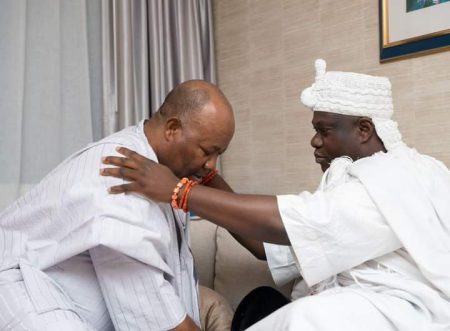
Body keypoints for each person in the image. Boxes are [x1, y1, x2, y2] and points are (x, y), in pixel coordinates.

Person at [100, 59, 450, 331]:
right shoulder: (353, 184)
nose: (314, 141)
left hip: (399, 314)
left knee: (304, 319)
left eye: (324, 131)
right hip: (354, 308)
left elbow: (285, 221)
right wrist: (208, 179)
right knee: (261, 303)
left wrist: (178, 191)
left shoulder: (397, 177)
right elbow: (268, 246)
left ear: (363, 130)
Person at [0, 80, 235, 330]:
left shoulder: (159, 173)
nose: (212, 165)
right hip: (24, 301)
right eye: (207, 151)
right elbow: (154, 313)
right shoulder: (124, 174)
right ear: (172, 129)